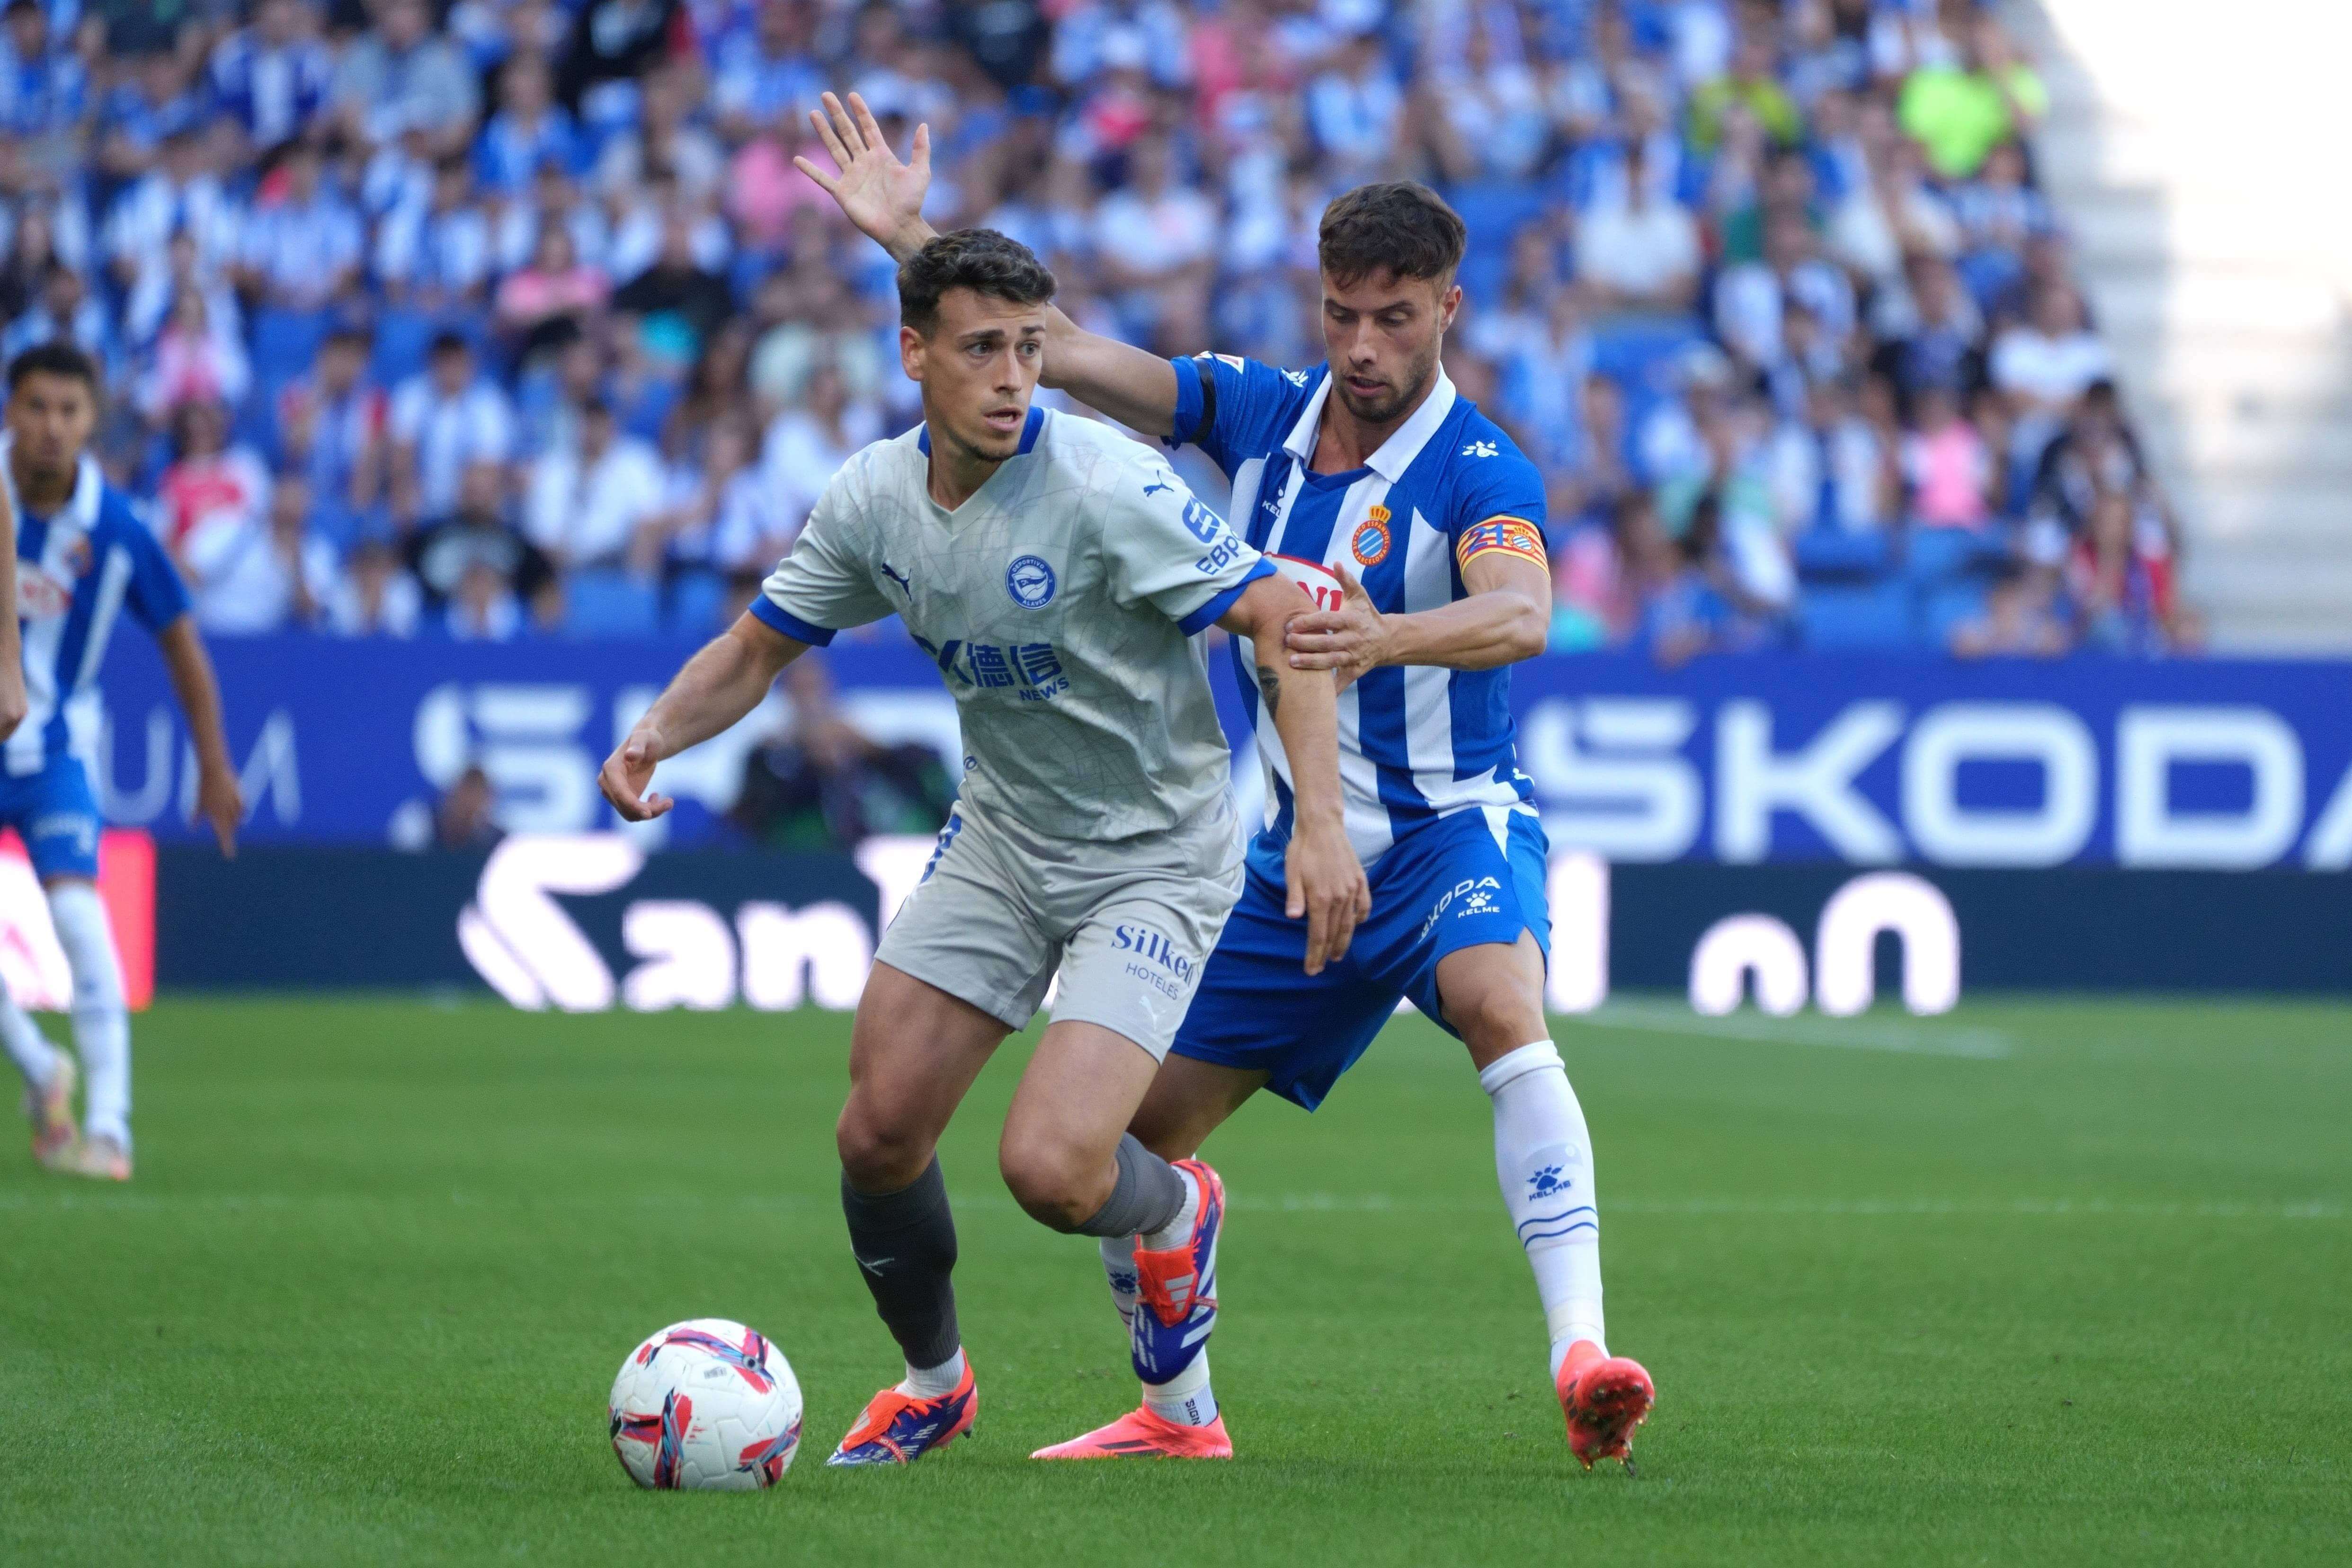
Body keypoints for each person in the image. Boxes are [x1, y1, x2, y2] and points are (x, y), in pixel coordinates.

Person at [803, 91, 1654, 1469]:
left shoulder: (1481, 465)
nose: (1364, 347)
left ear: (1450, 307)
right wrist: (913, 233)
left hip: (1443, 831)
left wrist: (1378, 633)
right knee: (1113, 1152)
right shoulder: (1260, 411)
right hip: (1274, 854)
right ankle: (1178, 1417)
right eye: (1343, 314)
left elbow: (1521, 614)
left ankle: (1582, 1352)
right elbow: (1060, 351)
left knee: (1503, 1001)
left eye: (1396, 318)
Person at [596, 224, 1363, 1467]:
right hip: (1004, 836)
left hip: (1155, 853)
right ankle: (935, 1384)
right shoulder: (873, 499)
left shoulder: (1109, 485)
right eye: (982, 351)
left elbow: (1285, 615)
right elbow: (758, 646)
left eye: (1027, 348)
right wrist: (654, 736)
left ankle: (1176, 1207)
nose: (1013, 376)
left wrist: (1319, 823)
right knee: (876, 1131)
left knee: (1057, 1171)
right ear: (913, 356)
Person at [0, 341, 240, 1180]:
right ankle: (39, 1068)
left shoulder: (118, 528)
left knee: (74, 916)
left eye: (69, 411)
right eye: (36, 408)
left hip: (56, 751)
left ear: (93, 421)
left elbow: (181, 640)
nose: (51, 428)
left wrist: (214, 762)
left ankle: (110, 1126)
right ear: (12, 413)